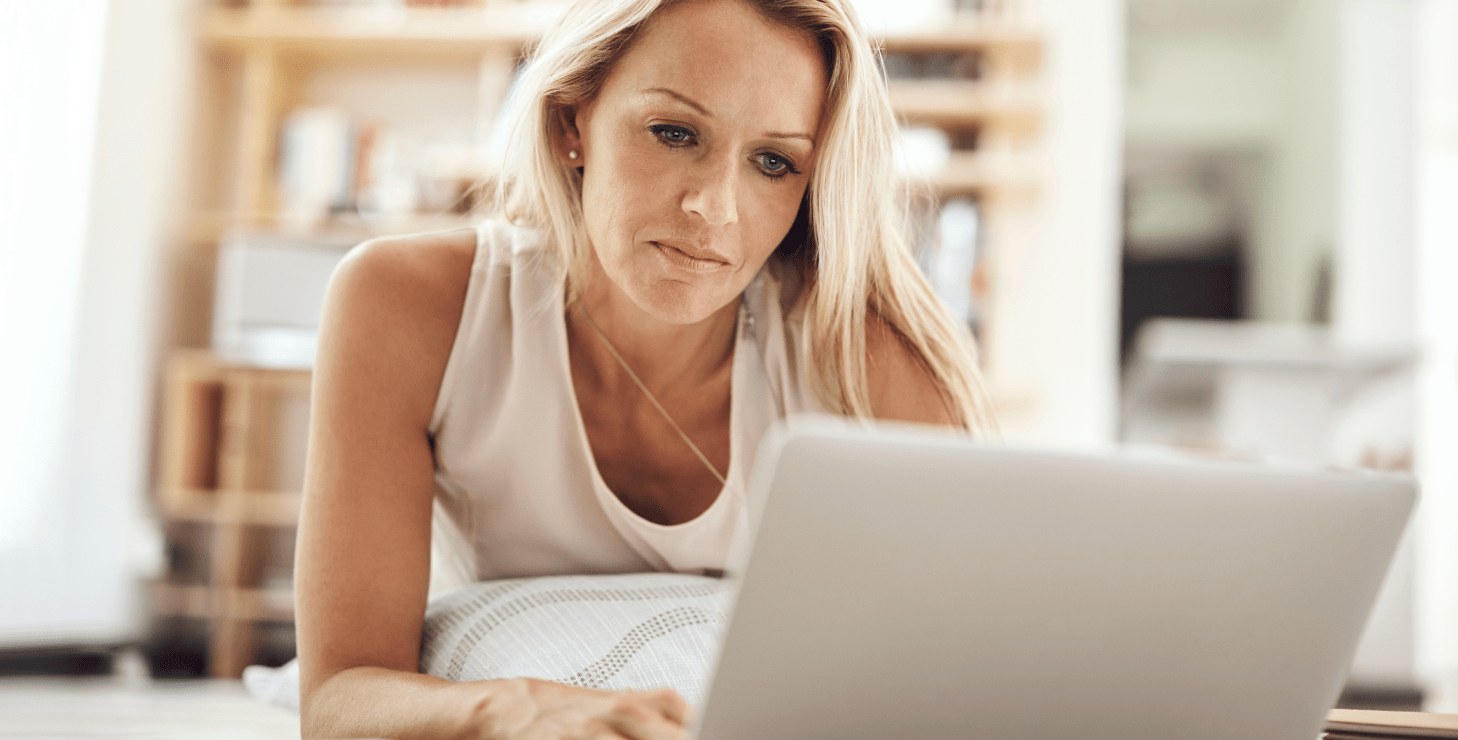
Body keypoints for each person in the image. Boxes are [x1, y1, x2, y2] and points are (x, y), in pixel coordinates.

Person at [294, 0, 996, 736]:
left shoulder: (868, 361)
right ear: (572, 122)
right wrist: (519, 711)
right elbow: (339, 698)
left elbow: (960, 676)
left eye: (774, 162)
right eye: (674, 132)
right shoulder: (409, 305)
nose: (714, 208)